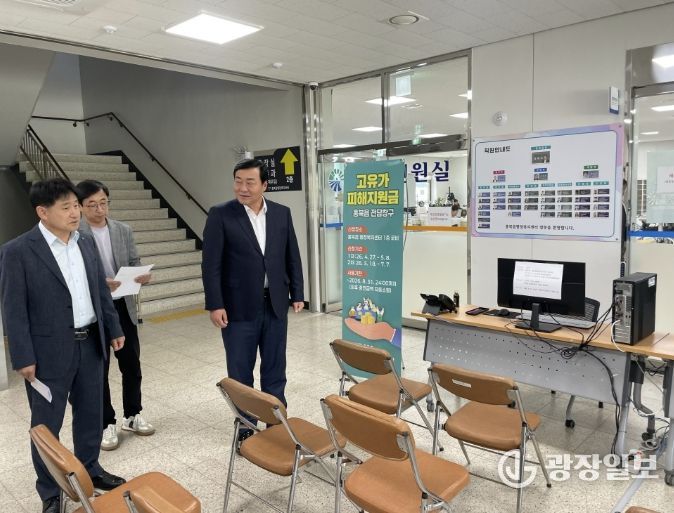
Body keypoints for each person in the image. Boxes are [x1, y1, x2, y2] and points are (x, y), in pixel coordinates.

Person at [0, 178, 126, 513]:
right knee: (46, 426)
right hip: (47, 354)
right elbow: (13, 309)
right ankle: (50, 491)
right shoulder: (18, 251)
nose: (75, 213)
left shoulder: (84, 243)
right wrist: (22, 356)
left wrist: (113, 326)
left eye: (75, 206)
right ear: (43, 212)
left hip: (91, 345)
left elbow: (99, 291)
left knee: (90, 414)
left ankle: (91, 469)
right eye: (66, 207)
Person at [201, 158, 304, 442]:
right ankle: (246, 428)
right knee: (240, 372)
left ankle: (276, 424)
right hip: (237, 307)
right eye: (238, 181)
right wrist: (215, 304)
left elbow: (291, 255)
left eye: (250, 182)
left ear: (264, 185)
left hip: (275, 303)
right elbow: (211, 265)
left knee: (275, 368)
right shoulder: (221, 214)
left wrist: (298, 293)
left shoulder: (281, 213)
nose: (242, 188)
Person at [77, 180, 154, 451]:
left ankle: (132, 414)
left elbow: (133, 261)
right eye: (92, 205)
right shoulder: (75, 235)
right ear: (80, 207)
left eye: (103, 203)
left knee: (131, 364)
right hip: (95, 310)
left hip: (123, 305)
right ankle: (105, 423)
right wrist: (101, 284)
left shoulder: (123, 229)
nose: (99, 209)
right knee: (100, 368)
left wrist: (142, 275)